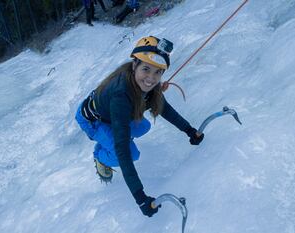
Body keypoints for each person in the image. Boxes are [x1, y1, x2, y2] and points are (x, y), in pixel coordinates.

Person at [75, 36, 204, 217]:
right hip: (93, 121)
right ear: (134, 64)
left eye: (158, 72)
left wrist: (189, 130)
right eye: (146, 69)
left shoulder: (146, 84)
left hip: (113, 117)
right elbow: (123, 151)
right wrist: (140, 197)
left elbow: (164, 109)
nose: (151, 78)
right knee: (131, 153)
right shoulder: (121, 94)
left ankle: (112, 139)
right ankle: (101, 157)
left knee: (143, 126)